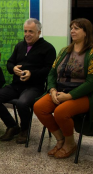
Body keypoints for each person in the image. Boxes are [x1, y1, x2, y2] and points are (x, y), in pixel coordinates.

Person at [0, 18, 56, 144]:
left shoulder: (48, 48)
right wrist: (13, 68)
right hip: (16, 85)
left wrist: (32, 74)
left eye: (31, 31)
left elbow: (49, 70)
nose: (27, 34)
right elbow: (10, 63)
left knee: (22, 103)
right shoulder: (20, 45)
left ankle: (25, 130)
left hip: (34, 87)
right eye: (25, 31)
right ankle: (12, 126)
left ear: (39, 32)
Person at [34, 18, 93, 159]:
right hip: (60, 90)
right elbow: (52, 73)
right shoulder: (64, 51)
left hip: (83, 94)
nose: (72, 31)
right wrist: (52, 90)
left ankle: (70, 143)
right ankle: (61, 139)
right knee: (39, 107)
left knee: (61, 112)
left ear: (86, 32)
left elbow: (91, 82)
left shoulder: (91, 53)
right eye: (71, 28)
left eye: (77, 28)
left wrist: (69, 96)